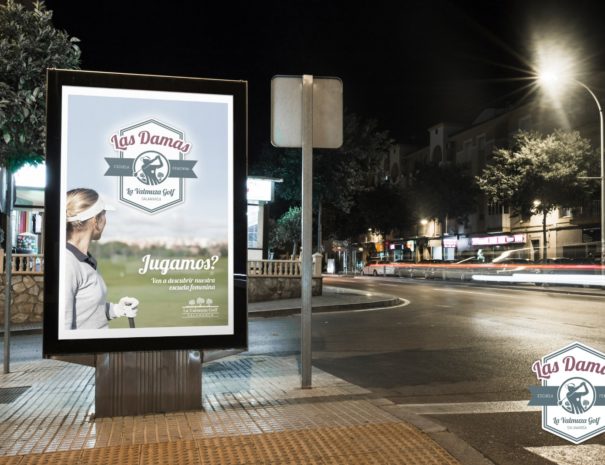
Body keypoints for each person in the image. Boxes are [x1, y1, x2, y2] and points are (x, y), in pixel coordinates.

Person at [65, 188, 138, 330]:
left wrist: (118, 309)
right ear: (96, 220)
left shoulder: (85, 259)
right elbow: (62, 330)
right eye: (104, 214)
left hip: (96, 352)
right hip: (83, 353)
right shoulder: (68, 263)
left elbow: (86, 312)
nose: (106, 221)